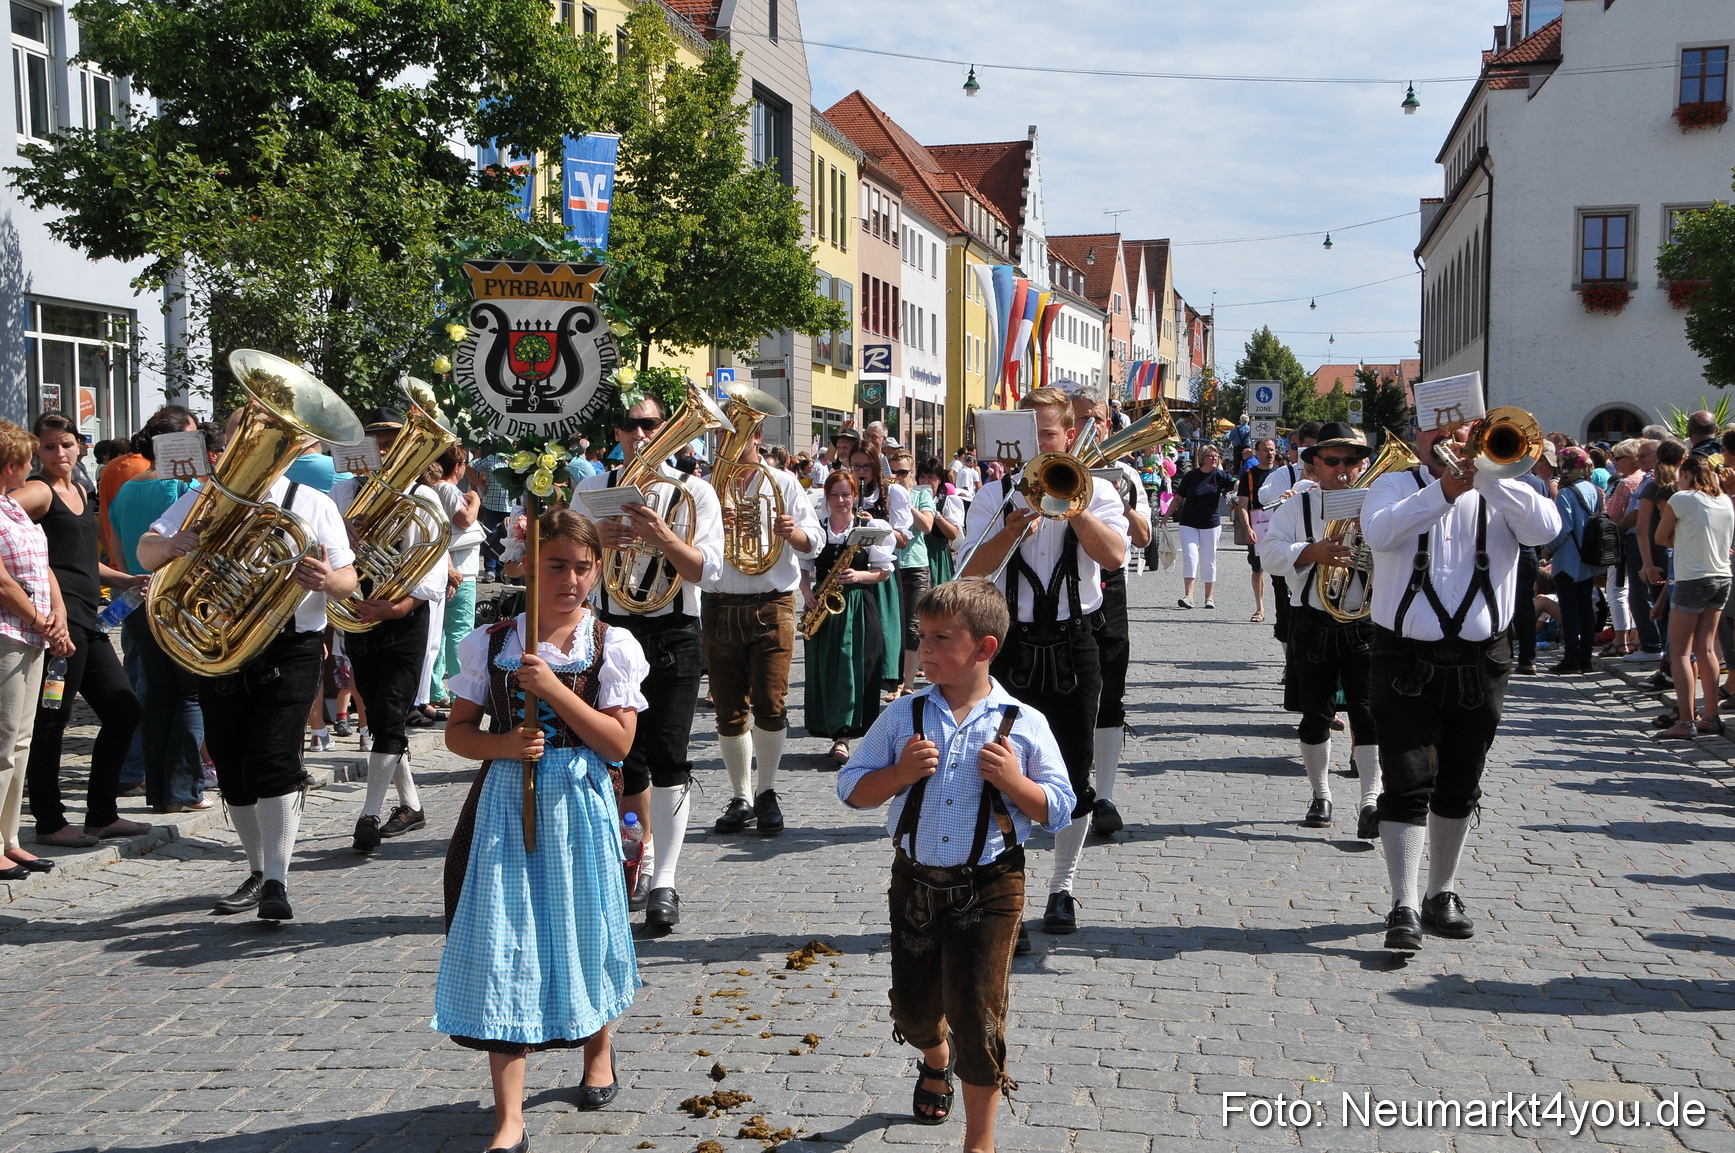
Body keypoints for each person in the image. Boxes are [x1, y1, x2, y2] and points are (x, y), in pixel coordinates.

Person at [433, 509, 649, 1149]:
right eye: (556, 566)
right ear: (530, 567)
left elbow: (617, 743)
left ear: (598, 571)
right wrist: (502, 744)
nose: (569, 581)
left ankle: (598, 1051)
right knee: (504, 944)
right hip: (505, 805)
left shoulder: (610, 645)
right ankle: (510, 1119)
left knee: (584, 929)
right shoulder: (492, 641)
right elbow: (457, 734)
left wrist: (554, 689)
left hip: (579, 805)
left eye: (582, 568)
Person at [837, 579, 1074, 1151]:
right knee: (913, 1010)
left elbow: (1060, 808)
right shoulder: (905, 715)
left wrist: (1015, 782)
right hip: (915, 884)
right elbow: (851, 789)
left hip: (990, 885)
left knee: (978, 1015)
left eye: (942, 638)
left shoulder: (1022, 721)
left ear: (985, 647)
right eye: (922, 636)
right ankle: (934, 1056)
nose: (925, 649)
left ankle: (979, 1142)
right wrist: (898, 775)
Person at [138, 407, 358, 921]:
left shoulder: (312, 503)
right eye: (246, 432)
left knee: (273, 759)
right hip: (222, 645)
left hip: (290, 645)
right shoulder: (206, 497)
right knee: (232, 763)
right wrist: (172, 545)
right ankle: (257, 871)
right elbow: (146, 552)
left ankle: (278, 879)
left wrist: (327, 580)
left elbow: (348, 579)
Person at [1361, 419, 1560, 950]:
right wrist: (1444, 491)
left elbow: (1545, 529)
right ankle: (1403, 903)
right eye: (1438, 429)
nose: (1450, 441)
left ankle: (1440, 892)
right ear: (1419, 435)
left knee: (1461, 779)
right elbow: (1379, 534)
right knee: (1406, 779)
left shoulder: (1512, 489)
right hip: (1404, 657)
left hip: (1481, 659)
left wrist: (1487, 476)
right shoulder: (1392, 484)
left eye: (1464, 429)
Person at [960, 385, 1127, 937]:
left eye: (1049, 434)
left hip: (1076, 642)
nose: (1038, 445)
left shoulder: (1097, 489)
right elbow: (970, 572)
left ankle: (1062, 887)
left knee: (1073, 769)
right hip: (1008, 644)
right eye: (1028, 436)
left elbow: (1115, 557)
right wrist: (1009, 529)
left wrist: (1074, 509)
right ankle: (1002, 893)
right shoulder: (993, 495)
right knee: (998, 769)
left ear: (1068, 434)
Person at [576, 397, 723, 918]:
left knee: (669, 756)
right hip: (613, 630)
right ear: (617, 433)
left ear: (667, 429)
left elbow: (708, 571)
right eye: (629, 425)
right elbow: (568, 564)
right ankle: (639, 859)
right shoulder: (593, 489)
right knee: (624, 757)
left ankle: (665, 882)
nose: (638, 434)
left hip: (673, 632)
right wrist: (595, 542)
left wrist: (661, 536)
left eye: (649, 424)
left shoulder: (694, 492)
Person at [701, 418, 820, 896]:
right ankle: (740, 797)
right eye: (722, 434)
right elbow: (688, 541)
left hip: (772, 603)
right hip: (719, 603)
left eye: (738, 433)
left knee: (771, 702)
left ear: (756, 438)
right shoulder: (707, 484)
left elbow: (815, 540)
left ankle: (767, 790)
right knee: (729, 708)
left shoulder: (784, 481)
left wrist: (793, 533)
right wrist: (714, 529)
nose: (729, 442)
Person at [17, 413, 147, 848]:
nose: (59, 453)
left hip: (88, 620)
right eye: (49, 446)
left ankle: (101, 814)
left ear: (80, 446)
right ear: (37, 450)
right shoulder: (38, 490)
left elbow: (80, 559)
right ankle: (49, 822)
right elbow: (6, 516)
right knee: (52, 720)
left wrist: (125, 579)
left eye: (66, 444)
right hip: (59, 624)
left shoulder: (80, 489)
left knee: (123, 710)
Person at [329, 408, 451, 854]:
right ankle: (412, 806)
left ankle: (369, 814)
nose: (380, 451)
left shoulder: (423, 495)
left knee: (390, 710)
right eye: (374, 443)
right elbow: (326, 547)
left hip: (403, 615)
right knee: (381, 715)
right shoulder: (343, 491)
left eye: (388, 444)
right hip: (359, 610)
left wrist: (400, 605)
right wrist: (342, 533)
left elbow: (434, 561)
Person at [1257, 423, 1383, 838]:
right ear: (1316, 464)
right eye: (1332, 460)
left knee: (1368, 714)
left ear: (1361, 464)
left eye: (1351, 460)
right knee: (1316, 716)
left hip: (1364, 622)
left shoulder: (1379, 504)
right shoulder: (1298, 506)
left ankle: (1371, 799)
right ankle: (1321, 794)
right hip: (1313, 621)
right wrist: (1311, 551)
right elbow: (1268, 553)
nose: (1342, 469)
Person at [108, 414, 224, 814]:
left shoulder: (126, 489)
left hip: (136, 595)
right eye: (193, 437)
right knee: (188, 696)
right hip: (178, 599)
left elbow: (117, 550)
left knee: (155, 692)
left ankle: (155, 789)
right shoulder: (185, 489)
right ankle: (185, 789)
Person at [1070, 383, 1150, 839]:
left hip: (1108, 586)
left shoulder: (1125, 473)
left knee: (1110, 691)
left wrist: (1119, 502)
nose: (1091, 426)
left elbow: (1143, 537)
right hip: (1060, 592)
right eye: (1082, 418)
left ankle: (1104, 794)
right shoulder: (1049, 465)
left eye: (1097, 418)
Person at [0, 421, 66, 878]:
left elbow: (43, 566)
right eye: (27, 460)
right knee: (3, 741)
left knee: (21, 740)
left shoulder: (12, 507)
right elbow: (3, 583)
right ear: (11, 465)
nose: (31, 468)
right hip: (8, 631)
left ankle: (10, 838)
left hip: (31, 632)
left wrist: (57, 614)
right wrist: (43, 621)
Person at [801, 471, 895, 764]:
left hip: (856, 604)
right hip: (823, 606)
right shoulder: (817, 530)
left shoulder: (869, 528)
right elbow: (802, 567)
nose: (841, 500)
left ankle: (845, 736)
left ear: (855, 496)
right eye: (835, 495)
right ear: (826, 497)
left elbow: (883, 571)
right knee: (826, 668)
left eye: (846, 494)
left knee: (854, 668)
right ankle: (833, 729)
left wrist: (859, 575)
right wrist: (806, 592)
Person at [1654, 455, 1733, 739]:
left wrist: (1683, 540)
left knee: (1680, 652)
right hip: (1721, 577)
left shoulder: (1682, 498)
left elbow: (1660, 537)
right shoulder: (1724, 500)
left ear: (1685, 475)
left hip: (1692, 578)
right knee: (1707, 649)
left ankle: (1685, 721)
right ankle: (1711, 716)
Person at [430, 446, 485, 707]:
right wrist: (476, 500)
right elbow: (465, 519)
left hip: (450, 566)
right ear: (458, 466)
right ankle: (458, 693)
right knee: (459, 631)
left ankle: (435, 690)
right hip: (461, 569)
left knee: (441, 633)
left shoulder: (437, 489)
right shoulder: (447, 489)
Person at [1547, 447, 1604, 676]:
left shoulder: (1566, 493)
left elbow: (1563, 528)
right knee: (1585, 608)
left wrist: (1547, 549)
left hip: (1568, 559)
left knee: (1569, 610)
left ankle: (1571, 658)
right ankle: (1585, 658)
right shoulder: (1595, 489)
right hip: (1588, 556)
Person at [852, 449, 905, 690]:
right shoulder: (845, 491)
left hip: (879, 571)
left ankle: (886, 677)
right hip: (853, 568)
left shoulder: (893, 493)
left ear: (876, 467)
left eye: (866, 467)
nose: (860, 472)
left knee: (882, 631)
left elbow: (903, 540)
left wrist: (875, 525)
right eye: (855, 467)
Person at [888, 449, 935, 701]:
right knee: (892, 623)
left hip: (916, 563)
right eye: (893, 472)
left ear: (912, 472)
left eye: (903, 472)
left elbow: (926, 526)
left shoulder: (921, 494)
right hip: (890, 563)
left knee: (912, 625)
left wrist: (906, 501)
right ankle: (894, 682)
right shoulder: (885, 494)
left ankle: (907, 683)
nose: (897, 476)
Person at [1173, 444, 1237, 609]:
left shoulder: (1220, 475)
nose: (1214, 458)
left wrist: (1241, 485)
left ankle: (1209, 597)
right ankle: (1189, 596)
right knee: (1190, 556)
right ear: (1202, 459)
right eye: (1211, 455)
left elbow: (1235, 483)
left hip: (1211, 524)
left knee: (1209, 559)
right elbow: (1179, 497)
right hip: (1189, 523)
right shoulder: (1191, 476)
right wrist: (1166, 516)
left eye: (1216, 455)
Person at [1233, 438, 1278, 623]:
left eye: (1272, 450)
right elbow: (1242, 505)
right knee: (1258, 568)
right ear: (1257, 453)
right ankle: (1260, 608)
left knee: (1283, 567)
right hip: (1258, 526)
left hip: (1280, 525)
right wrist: (1248, 529)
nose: (1269, 453)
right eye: (1265, 450)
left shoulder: (1282, 473)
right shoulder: (1249, 475)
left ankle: (1285, 608)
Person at [918, 457, 962, 587]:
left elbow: (953, 534)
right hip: (916, 556)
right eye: (922, 477)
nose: (926, 481)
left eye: (931, 477)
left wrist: (937, 515)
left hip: (937, 556)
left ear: (939, 479)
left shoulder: (946, 502)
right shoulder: (912, 500)